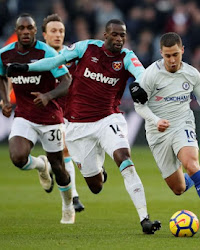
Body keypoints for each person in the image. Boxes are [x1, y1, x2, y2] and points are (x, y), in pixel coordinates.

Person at [7, 19, 161, 234]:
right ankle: (99, 170)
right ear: (105, 36)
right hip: (78, 126)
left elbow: (142, 74)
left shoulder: (127, 56)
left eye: (122, 35)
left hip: (109, 119)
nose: (119, 39)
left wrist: (139, 85)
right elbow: (55, 61)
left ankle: (144, 218)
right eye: (114, 35)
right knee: (95, 186)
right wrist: (26, 67)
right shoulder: (85, 47)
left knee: (124, 157)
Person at [129, 32, 200, 234]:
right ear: (161, 54)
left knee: (191, 164)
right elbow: (139, 106)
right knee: (178, 188)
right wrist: (156, 120)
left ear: (182, 50)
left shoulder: (192, 74)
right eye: (167, 56)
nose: (172, 60)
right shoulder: (150, 75)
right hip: (157, 131)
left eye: (175, 54)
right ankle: (196, 178)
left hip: (183, 123)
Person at [0, 13, 75, 224]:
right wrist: (5, 100)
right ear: (16, 32)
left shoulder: (47, 52)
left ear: (35, 32)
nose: (25, 32)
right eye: (21, 29)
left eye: (29, 28)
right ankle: (41, 166)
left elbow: (67, 81)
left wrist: (48, 95)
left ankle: (68, 206)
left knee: (59, 168)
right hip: (24, 115)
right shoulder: (5, 54)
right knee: (17, 157)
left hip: (50, 116)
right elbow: (1, 75)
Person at [42, 13, 85, 212]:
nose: (58, 35)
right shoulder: (39, 58)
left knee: (64, 154)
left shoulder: (72, 55)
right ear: (44, 35)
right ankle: (73, 196)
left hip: (72, 111)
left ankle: (48, 166)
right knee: (65, 150)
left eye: (61, 31)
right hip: (48, 112)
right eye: (53, 31)